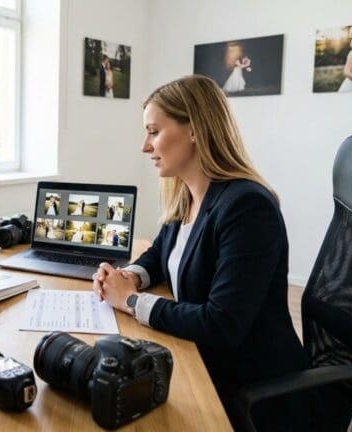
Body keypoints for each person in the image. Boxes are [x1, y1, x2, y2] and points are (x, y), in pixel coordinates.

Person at [93, 75, 307, 431]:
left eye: (154, 132)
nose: (145, 146)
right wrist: (130, 275)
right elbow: (159, 254)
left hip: (250, 385)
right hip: (203, 357)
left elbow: (221, 324)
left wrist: (130, 301)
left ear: (194, 130)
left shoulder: (247, 207)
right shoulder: (188, 195)